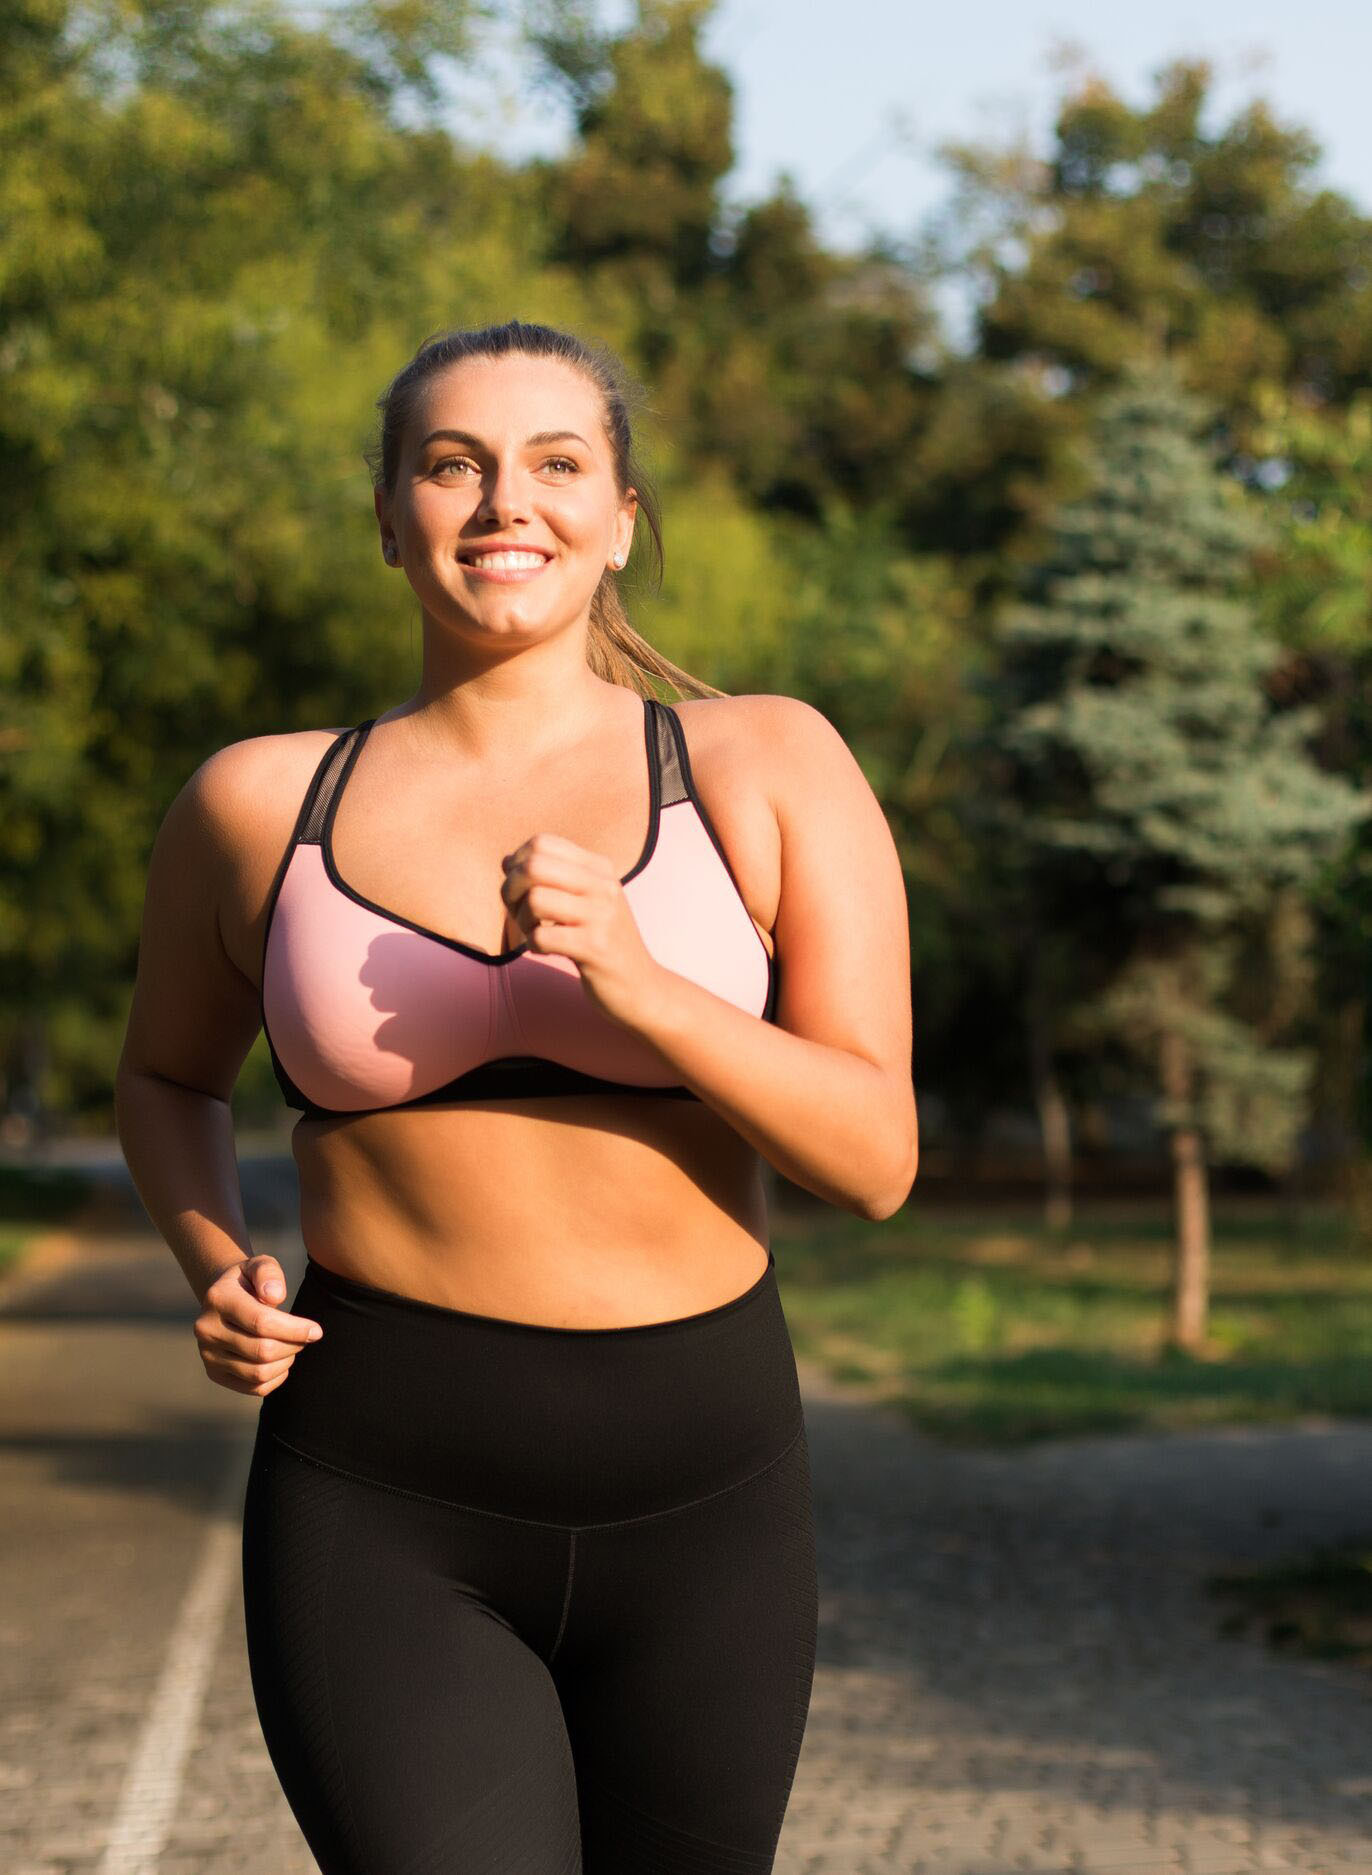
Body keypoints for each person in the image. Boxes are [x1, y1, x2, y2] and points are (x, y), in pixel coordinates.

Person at [114, 318, 915, 1874]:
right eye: (452, 464)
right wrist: (215, 1264)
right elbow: (162, 1079)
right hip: (383, 1490)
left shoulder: (765, 766)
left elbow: (873, 1157)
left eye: (557, 464)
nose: (504, 505)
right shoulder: (254, 803)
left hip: (709, 1495)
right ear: (390, 516)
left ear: (620, 523)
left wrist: (644, 983)